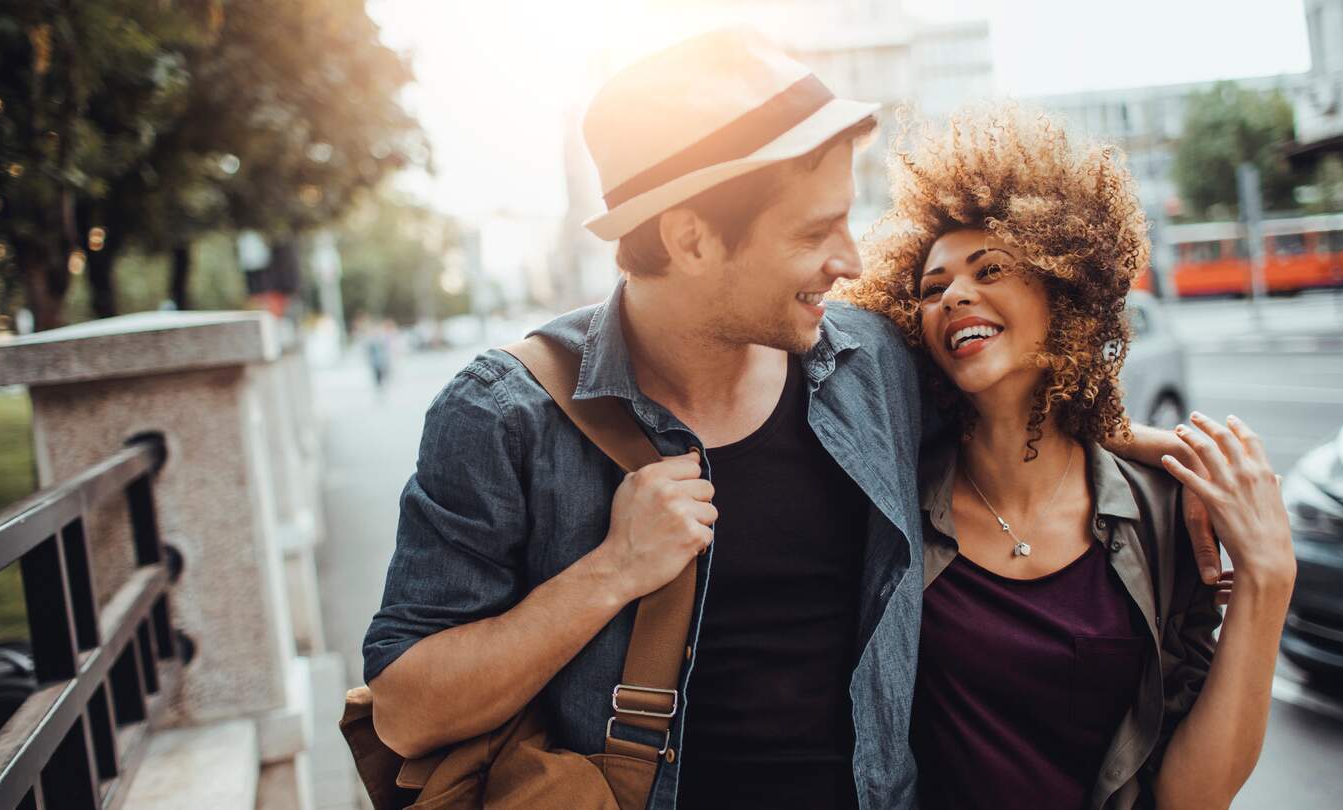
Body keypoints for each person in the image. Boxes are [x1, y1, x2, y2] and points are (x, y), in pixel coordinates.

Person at [363, 32, 1213, 810]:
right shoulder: (504, 417)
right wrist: (611, 572)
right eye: (817, 230)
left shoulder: (872, 364)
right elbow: (405, 712)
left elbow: (1009, 408)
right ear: (691, 239)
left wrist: (1149, 457)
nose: (849, 259)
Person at [841, 105, 1295, 810]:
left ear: (1063, 291)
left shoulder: (1164, 515)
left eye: (991, 268)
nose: (957, 293)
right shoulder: (887, 501)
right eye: (933, 289)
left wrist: (1266, 582)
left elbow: (1190, 798)